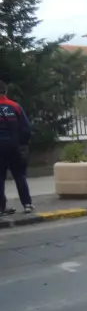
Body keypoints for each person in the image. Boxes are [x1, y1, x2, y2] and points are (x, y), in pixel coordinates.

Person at [0, 80, 33, 215]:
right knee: (19, 176)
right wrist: (21, 144)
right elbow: (26, 129)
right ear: (5, 91)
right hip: (15, 148)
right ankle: (27, 204)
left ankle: (1, 208)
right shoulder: (15, 106)